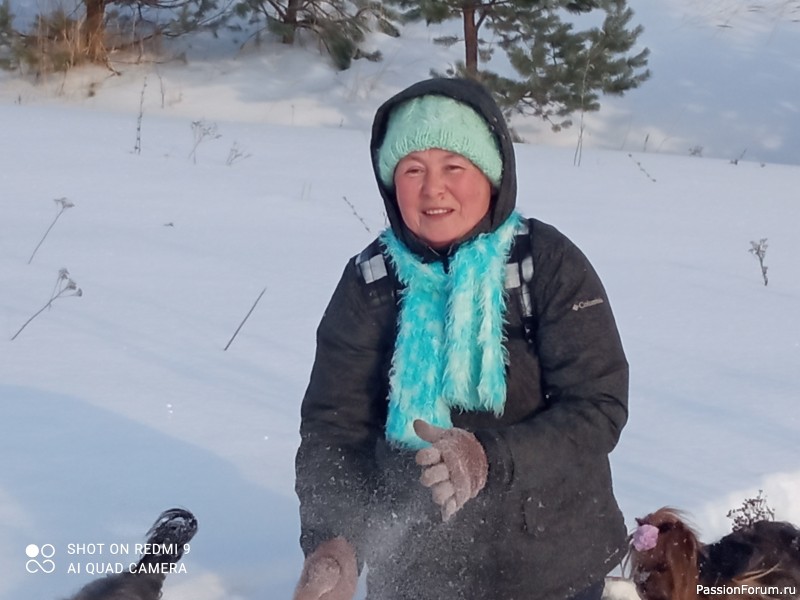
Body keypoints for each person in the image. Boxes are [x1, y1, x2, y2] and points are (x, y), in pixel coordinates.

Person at [293, 77, 629, 600]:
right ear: (390, 184)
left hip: (553, 568)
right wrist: (335, 541)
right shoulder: (371, 284)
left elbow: (598, 407)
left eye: (454, 167)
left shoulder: (547, 264)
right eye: (412, 170)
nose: (433, 189)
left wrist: (488, 457)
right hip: (418, 574)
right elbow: (334, 429)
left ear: (492, 176)